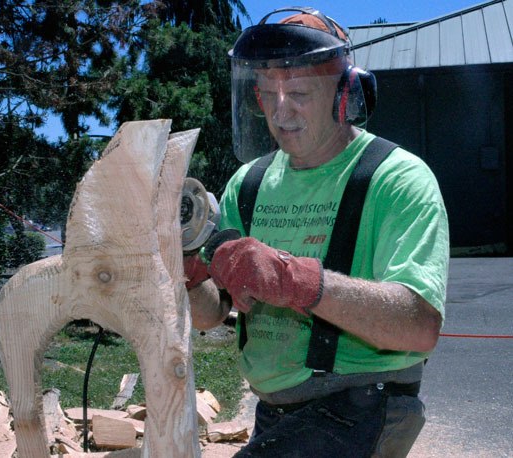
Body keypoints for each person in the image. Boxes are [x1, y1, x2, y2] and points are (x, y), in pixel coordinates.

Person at [184, 6, 449, 457]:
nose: (281, 111)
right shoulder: (247, 183)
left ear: (344, 95)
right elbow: (213, 315)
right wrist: (189, 270)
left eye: (301, 94)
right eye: (268, 94)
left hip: (363, 402)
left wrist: (295, 282)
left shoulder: (395, 177)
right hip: (275, 411)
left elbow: (419, 326)